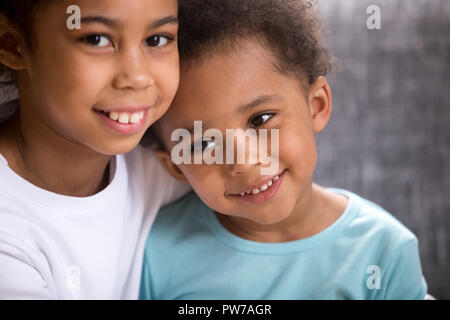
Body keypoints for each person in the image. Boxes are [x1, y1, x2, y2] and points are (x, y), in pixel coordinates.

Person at [140, 0, 428, 299]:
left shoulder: (383, 251)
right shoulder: (155, 250)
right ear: (175, 166)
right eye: (203, 143)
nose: (244, 161)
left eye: (260, 119)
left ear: (316, 105)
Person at [0, 0, 190, 299]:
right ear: (11, 43)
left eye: (156, 39)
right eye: (96, 39)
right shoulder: (8, 237)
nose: (138, 77)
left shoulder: (163, 167)